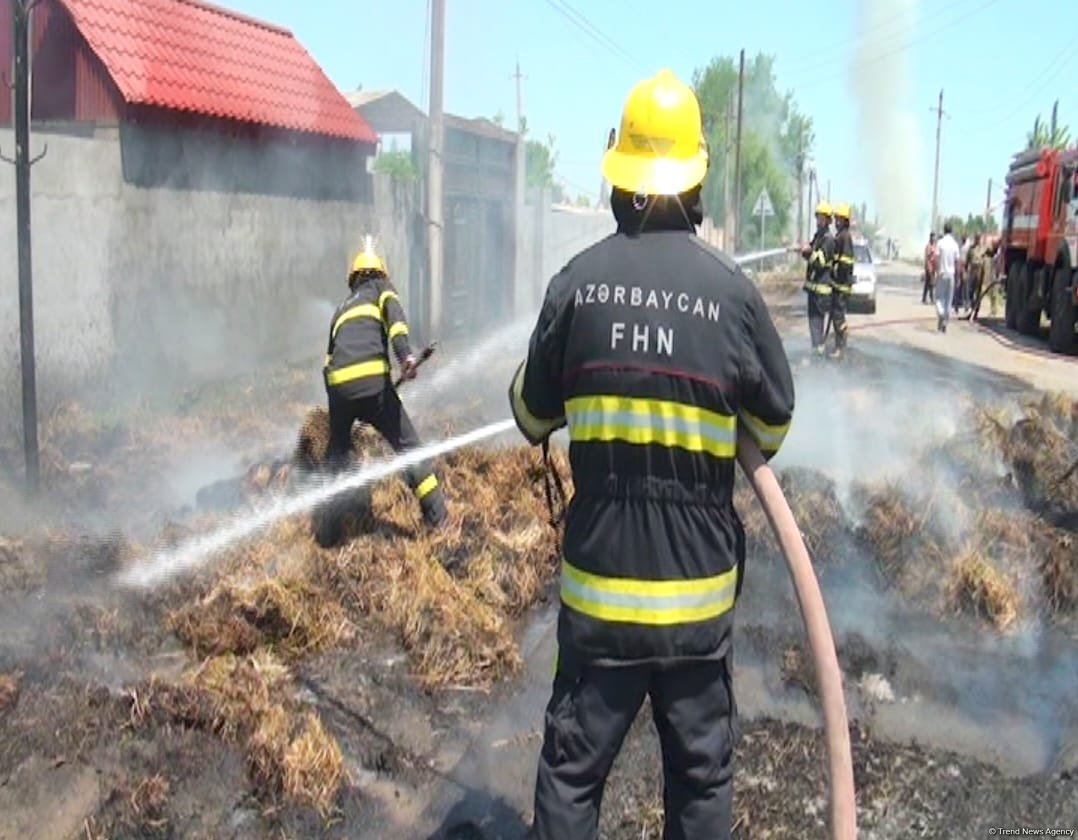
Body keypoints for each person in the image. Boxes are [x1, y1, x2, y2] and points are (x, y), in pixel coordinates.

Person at [508, 68, 795, 840]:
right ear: (695, 180)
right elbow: (769, 430)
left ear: (621, 177)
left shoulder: (576, 286)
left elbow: (531, 416)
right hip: (697, 605)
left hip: (600, 602)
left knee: (571, 777)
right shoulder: (732, 296)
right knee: (700, 782)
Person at [322, 238, 448, 530]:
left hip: (338, 389)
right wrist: (405, 357)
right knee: (410, 448)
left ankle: (328, 523)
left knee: (336, 455)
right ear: (381, 273)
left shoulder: (340, 310)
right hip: (374, 389)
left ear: (353, 278)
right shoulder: (382, 289)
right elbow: (397, 324)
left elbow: (328, 361)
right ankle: (439, 521)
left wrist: (339, 404)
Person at [801, 200, 835, 356]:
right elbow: (811, 250)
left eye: (822, 218)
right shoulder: (819, 236)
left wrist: (807, 252)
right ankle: (816, 351)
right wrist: (802, 249)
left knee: (817, 323)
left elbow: (820, 262)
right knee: (813, 323)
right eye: (817, 217)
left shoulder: (828, 239)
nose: (818, 221)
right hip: (814, 289)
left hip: (821, 291)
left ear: (828, 220)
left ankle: (818, 355)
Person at [830, 203, 855, 359]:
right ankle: (839, 346)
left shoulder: (844, 237)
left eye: (840, 219)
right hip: (839, 284)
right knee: (836, 315)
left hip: (841, 285)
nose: (837, 222)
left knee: (838, 316)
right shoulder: (841, 236)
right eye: (836, 219)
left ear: (845, 221)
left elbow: (845, 262)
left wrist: (836, 272)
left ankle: (841, 345)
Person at [935, 223, 960, 333]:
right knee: (948, 300)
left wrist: (936, 272)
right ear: (951, 231)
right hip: (951, 275)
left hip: (941, 273)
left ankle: (940, 314)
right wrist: (958, 276)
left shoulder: (940, 243)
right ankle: (945, 321)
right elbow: (957, 262)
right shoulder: (955, 244)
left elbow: (936, 258)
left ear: (944, 230)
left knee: (938, 297)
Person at [922, 232, 938, 304]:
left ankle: (926, 298)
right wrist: (928, 268)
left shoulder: (934, 246)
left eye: (934, 237)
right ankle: (928, 298)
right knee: (929, 283)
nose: (933, 238)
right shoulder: (928, 246)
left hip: (933, 267)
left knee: (930, 283)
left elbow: (935, 256)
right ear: (930, 237)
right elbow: (927, 258)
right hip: (929, 267)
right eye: (932, 237)